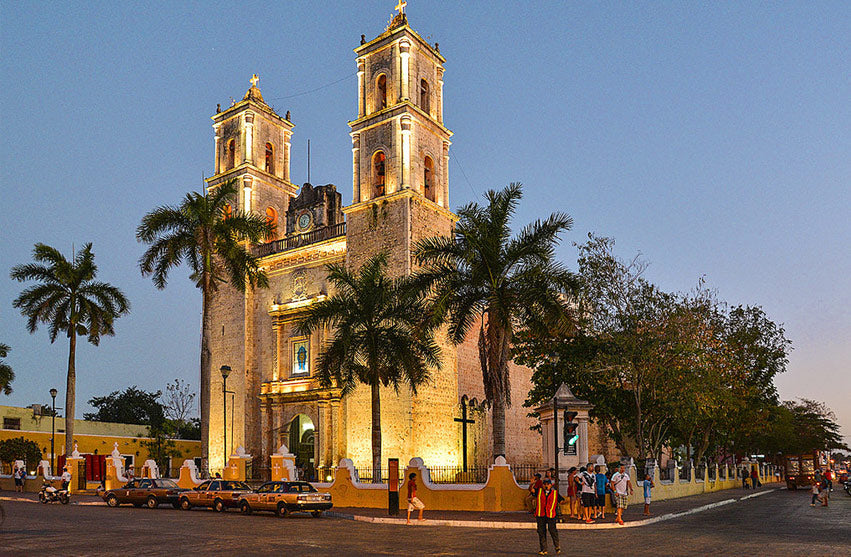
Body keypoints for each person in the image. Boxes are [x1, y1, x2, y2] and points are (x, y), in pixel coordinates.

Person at [534, 478, 560, 555]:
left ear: (550, 485)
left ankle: (557, 546)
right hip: (540, 514)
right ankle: (543, 549)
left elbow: (562, 501)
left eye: (547, 484)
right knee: (541, 532)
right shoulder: (539, 492)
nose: (546, 486)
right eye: (545, 484)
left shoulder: (555, 493)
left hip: (551, 515)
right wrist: (532, 483)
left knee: (552, 531)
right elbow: (531, 490)